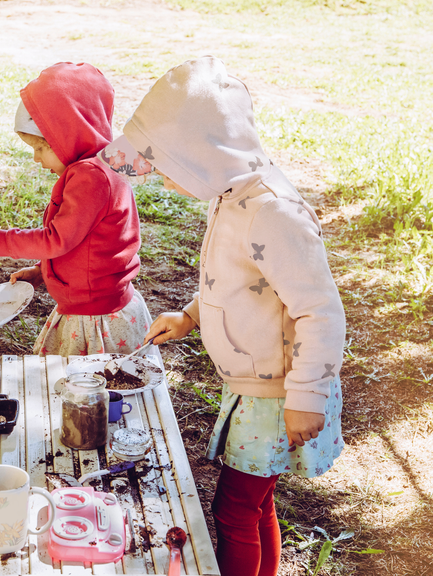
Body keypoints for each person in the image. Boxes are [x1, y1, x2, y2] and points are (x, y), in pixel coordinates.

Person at [108, 56, 346, 576]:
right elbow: (241, 284)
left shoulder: (274, 212)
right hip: (255, 386)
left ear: (202, 154)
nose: (158, 175)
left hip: (278, 393)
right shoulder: (232, 193)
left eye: (164, 164)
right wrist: (191, 315)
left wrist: (306, 397)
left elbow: (321, 312)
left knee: (234, 509)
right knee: (255, 504)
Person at [0, 62, 155, 357]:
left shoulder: (91, 177)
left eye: (41, 148)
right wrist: (44, 271)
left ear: (70, 135)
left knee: (87, 381)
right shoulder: (101, 163)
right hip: (93, 303)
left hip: (95, 318)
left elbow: (57, 239)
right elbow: (89, 244)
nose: (36, 158)